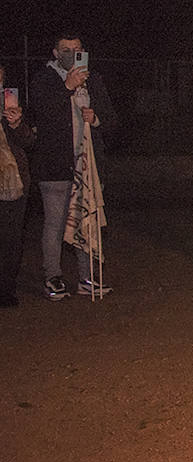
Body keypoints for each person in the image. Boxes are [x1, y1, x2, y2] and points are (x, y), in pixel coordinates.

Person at [30, 33, 118, 300]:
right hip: (56, 166)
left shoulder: (93, 80)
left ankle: (87, 277)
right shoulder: (44, 80)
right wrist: (67, 87)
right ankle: (53, 277)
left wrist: (97, 118)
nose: (72, 53)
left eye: (77, 49)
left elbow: (112, 120)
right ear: (55, 53)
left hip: (87, 165)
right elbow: (42, 113)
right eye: (66, 50)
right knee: (56, 224)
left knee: (87, 221)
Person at [0, 66, 36, 306]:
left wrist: (15, 123)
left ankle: (5, 290)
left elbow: (30, 141)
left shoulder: (9, 103)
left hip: (12, 182)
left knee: (10, 240)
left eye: (1, 78)